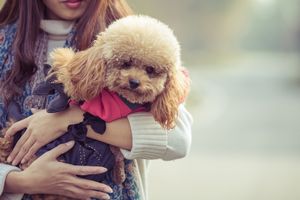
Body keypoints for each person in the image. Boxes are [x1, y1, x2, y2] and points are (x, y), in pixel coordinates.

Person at [0, 0, 193, 200]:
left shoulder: (136, 35)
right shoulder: (3, 42)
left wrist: (67, 120)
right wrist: (19, 181)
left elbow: (177, 139)